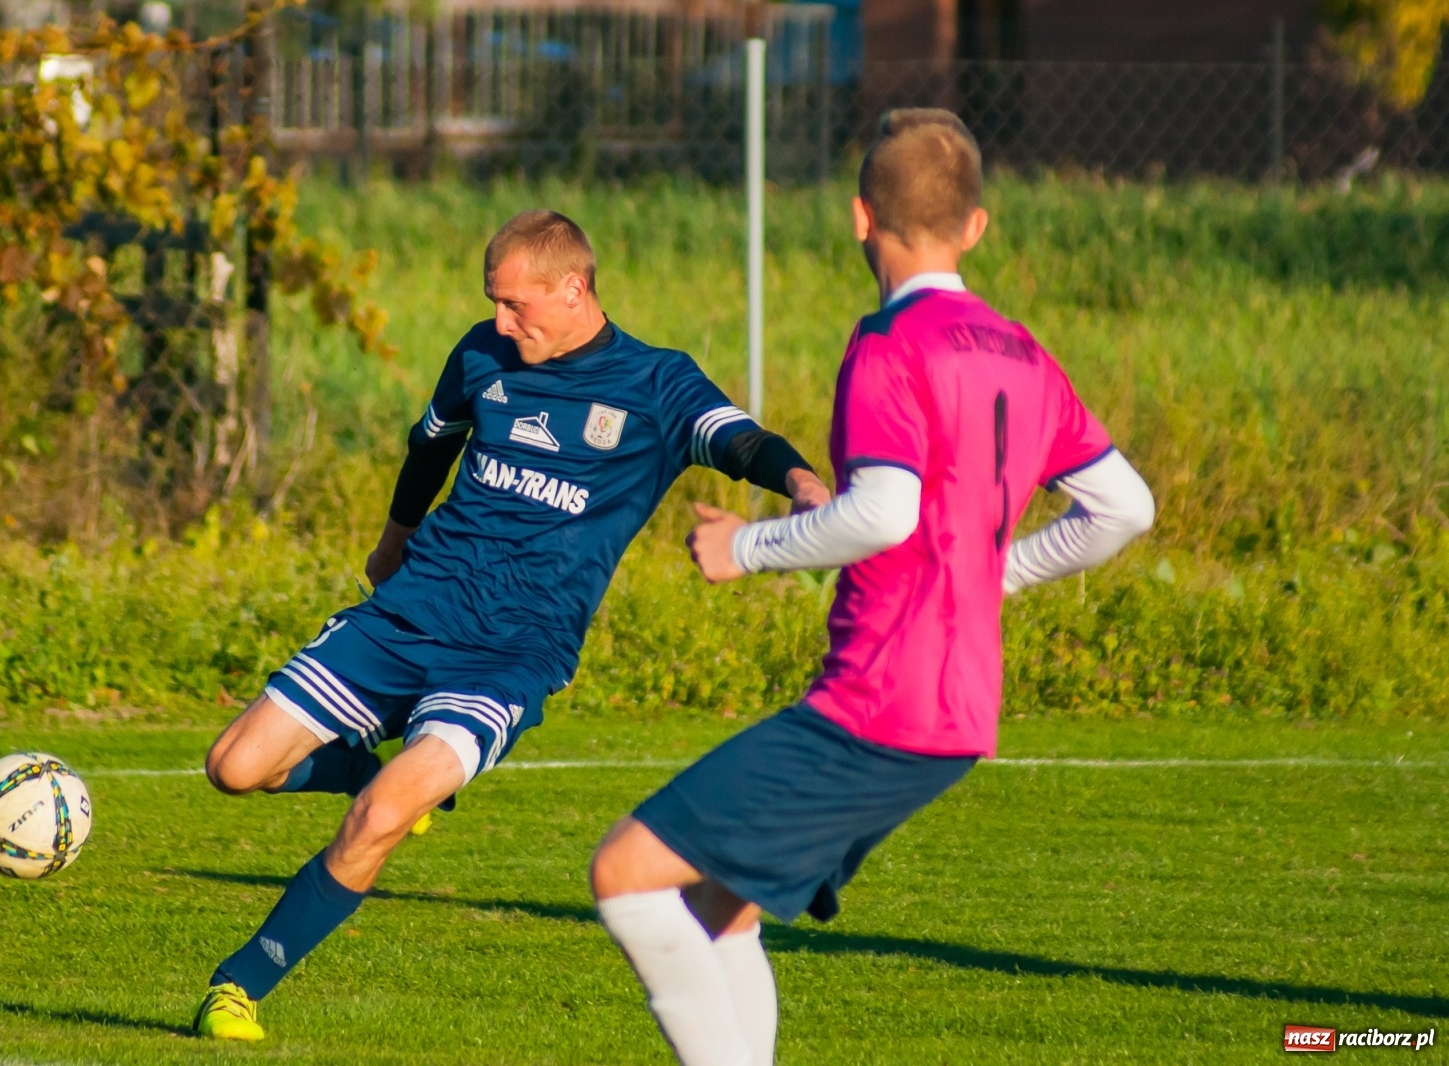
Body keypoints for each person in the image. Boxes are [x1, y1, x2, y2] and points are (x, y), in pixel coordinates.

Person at [589, 109, 1156, 1066]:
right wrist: (999, 573)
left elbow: (886, 511)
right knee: (718, 906)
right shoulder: (1020, 349)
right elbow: (1124, 507)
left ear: (861, 218)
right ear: (976, 226)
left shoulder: (890, 344)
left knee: (628, 874)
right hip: (961, 711)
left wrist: (749, 546)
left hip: (880, 703)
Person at [190, 209, 830, 1041]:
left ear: (573, 288)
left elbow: (740, 440)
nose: (500, 321)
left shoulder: (656, 383)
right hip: (409, 611)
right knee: (235, 768)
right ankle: (370, 775)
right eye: (492, 302)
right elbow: (430, 450)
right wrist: (390, 549)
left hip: (509, 654)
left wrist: (806, 487)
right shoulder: (482, 356)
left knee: (382, 813)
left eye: (514, 304)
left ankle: (237, 986)